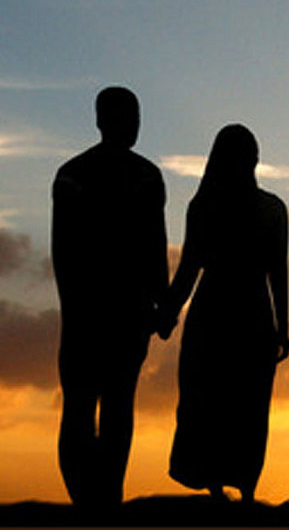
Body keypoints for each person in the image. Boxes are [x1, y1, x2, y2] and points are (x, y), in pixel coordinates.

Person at [157, 124, 289, 503]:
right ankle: (238, 490)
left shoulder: (207, 206)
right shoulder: (268, 208)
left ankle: (227, 488)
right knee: (238, 403)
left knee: (225, 401)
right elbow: (276, 271)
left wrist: (167, 313)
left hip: (221, 313)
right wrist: (282, 327)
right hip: (244, 314)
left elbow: (189, 269)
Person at [52, 86, 168, 507]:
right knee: (104, 409)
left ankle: (99, 500)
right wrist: (162, 304)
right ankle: (98, 500)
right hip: (116, 314)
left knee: (90, 409)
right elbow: (154, 248)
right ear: (103, 120)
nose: (134, 125)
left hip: (97, 315)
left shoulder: (73, 173)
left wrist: (160, 304)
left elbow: (63, 255)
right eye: (130, 116)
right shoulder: (141, 176)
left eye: (136, 116)